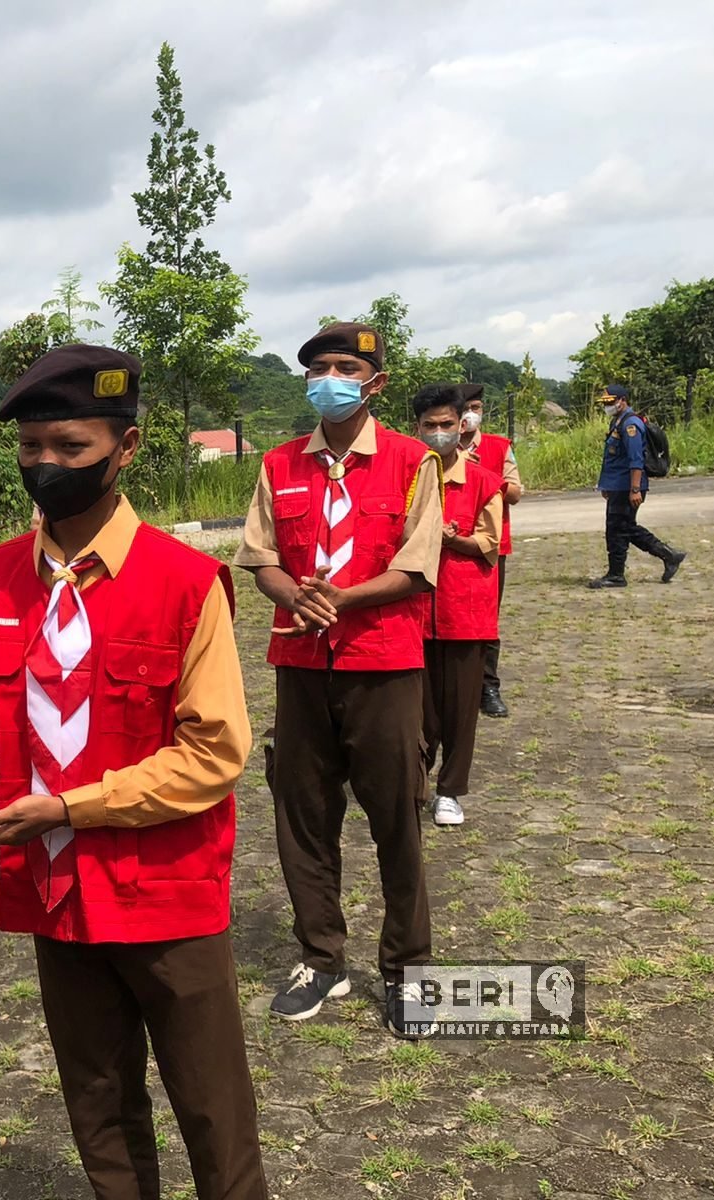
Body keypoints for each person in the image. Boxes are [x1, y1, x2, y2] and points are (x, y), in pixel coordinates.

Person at [0, 347, 266, 1200]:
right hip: (55, 890)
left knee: (212, 1109)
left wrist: (69, 807)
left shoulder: (185, 583)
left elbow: (214, 753)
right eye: (30, 449)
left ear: (126, 448)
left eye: (70, 447)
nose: (45, 466)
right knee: (97, 1103)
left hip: (165, 890)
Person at [233, 321, 440, 1039]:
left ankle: (408, 969)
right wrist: (292, 594)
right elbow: (259, 555)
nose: (330, 377)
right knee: (302, 814)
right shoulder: (280, 463)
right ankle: (322, 959)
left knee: (396, 819)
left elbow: (418, 565)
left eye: (345, 366)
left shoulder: (415, 462)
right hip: (299, 665)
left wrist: (343, 598)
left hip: (383, 663)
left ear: (375, 382)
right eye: (318, 366)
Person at [415, 385, 505, 829]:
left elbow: (489, 543)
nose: (438, 433)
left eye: (446, 424)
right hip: (413, 612)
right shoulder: (408, 477)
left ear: (461, 424)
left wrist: (455, 540)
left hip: (465, 610)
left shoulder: (485, 481)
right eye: (429, 425)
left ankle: (450, 790)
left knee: (461, 709)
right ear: (416, 428)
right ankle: (416, 782)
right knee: (418, 710)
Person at [455, 383, 523, 718]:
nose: (472, 413)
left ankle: (488, 686)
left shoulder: (499, 447)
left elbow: (515, 493)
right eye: (466, 407)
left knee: (486, 618)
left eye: (477, 407)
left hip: (489, 546)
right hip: (443, 543)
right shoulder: (436, 444)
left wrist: (479, 471)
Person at [589, 384, 685, 588]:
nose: (607, 406)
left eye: (610, 402)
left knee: (618, 529)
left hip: (627, 487)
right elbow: (613, 460)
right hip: (618, 485)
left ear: (622, 400)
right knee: (624, 528)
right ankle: (669, 556)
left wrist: (634, 489)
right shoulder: (618, 421)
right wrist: (605, 485)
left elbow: (635, 460)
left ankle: (617, 575)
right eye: (605, 403)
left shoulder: (631, 425)